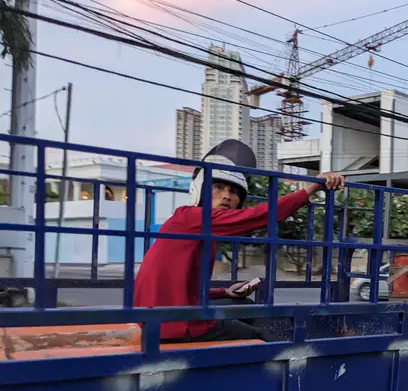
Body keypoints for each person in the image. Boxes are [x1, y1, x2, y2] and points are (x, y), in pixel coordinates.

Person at [134, 139, 344, 343]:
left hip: (164, 316)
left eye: (233, 192)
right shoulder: (190, 217)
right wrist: (310, 189)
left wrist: (225, 292)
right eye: (218, 187)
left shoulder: (202, 227)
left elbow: (186, 291)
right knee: (262, 338)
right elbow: (261, 215)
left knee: (240, 302)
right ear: (200, 189)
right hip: (175, 324)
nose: (226, 196)